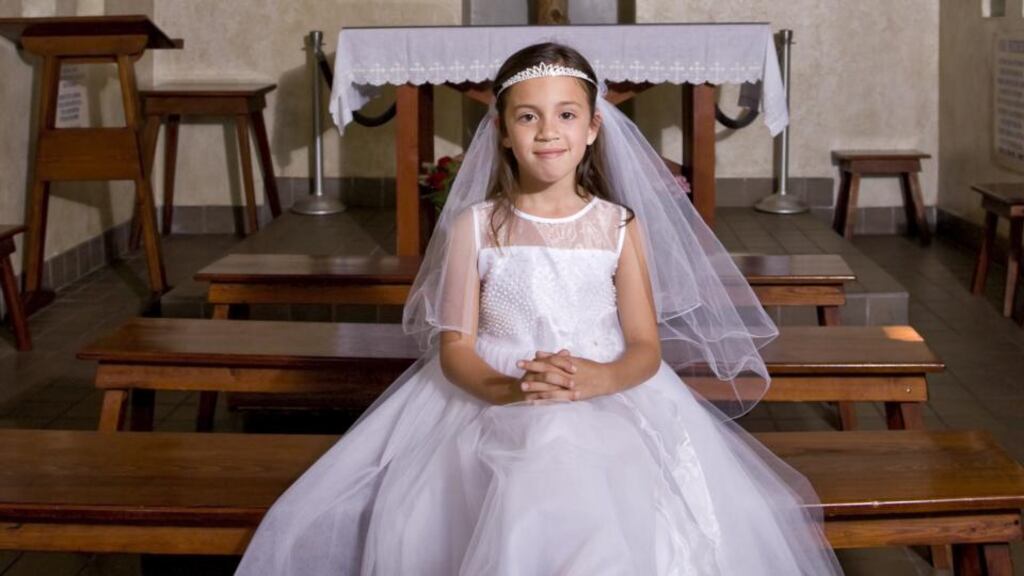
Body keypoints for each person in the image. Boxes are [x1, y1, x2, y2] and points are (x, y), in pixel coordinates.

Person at [236, 42, 842, 575]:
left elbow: (644, 348)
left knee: (603, 500)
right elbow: (455, 347)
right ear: (503, 130)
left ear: (593, 127)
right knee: (520, 480)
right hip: (491, 392)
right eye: (528, 116)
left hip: (607, 392)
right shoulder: (477, 227)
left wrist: (599, 379)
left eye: (566, 115)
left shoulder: (619, 226)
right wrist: (507, 391)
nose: (548, 131)